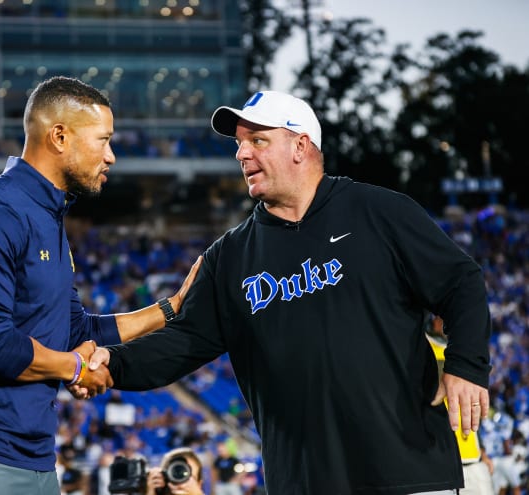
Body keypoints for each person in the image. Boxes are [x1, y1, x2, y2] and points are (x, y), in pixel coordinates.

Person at [85, 90, 492, 494]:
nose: (242, 154)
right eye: (240, 144)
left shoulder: (378, 212)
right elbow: (182, 342)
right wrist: (112, 364)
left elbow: (461, 282)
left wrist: (466, 367)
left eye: (257, 141)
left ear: (301, 146)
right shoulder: (229, 258)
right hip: (304, 482)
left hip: (409, 471)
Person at [0, 75, 201, 495]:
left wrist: (170, 309)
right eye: (103, 140)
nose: (111, 156)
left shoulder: (49, 220)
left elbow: (75, 330)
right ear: (59, 136)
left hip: (35, 457)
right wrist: (77, 367)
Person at [426, 316, 495, 495]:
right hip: (437, 461)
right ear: (435, 320)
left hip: (472, 458)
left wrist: (483, 451)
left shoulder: (466, 353)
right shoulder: (423, 347)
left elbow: (472, 407)